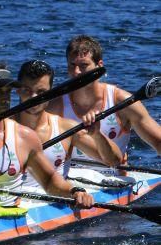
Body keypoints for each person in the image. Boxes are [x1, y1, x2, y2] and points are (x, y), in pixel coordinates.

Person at [0, 61, 94, 209]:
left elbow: (49, 181)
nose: (5, 98)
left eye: (7, 91)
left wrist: (75, 191)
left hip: (7, 216)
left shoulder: (25, 137)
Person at [47, 35, 161, 167]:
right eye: (72, 65)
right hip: (71, 179)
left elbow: (158, 142)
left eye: (83, 65)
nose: (76, 72)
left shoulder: (123, 102)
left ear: (99, 66)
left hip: (114, 178)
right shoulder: (54, 106)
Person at [15, 60, 122, 188]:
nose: (34, 97)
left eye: (41, 92)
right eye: (27, 91)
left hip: (56, 201)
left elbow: (114, 161)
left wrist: (97, 135)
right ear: (18, 90)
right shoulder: (2, 127)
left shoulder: (65, 129)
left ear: (51, 93)